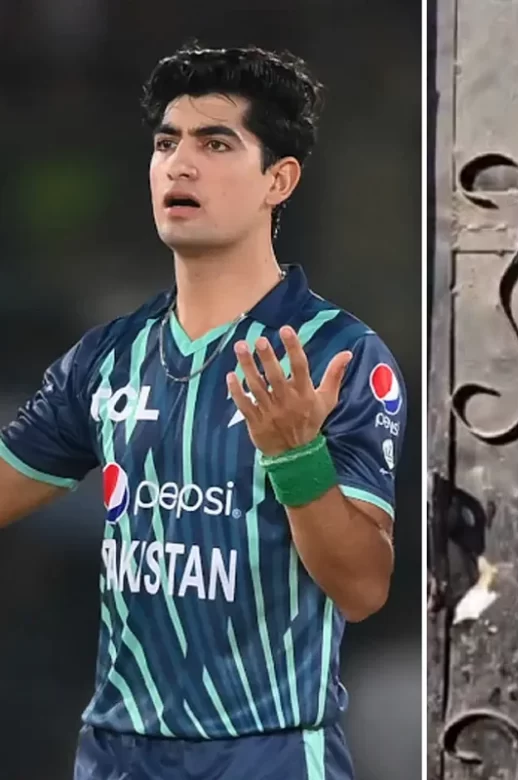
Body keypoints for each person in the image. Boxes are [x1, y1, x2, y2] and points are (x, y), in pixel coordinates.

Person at [0, 43, 405, 780]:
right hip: (117, 756)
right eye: (166, 144)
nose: (179, 165)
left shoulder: (340, 354)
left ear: (279, 179)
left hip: (270, 754)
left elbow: (362, 587)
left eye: (215, 144)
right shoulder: (107, 356)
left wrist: (296, 456)